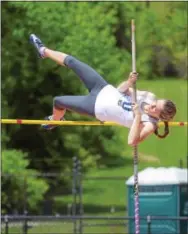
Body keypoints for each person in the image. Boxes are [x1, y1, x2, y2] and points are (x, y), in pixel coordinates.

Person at [30, 34, 176, 146]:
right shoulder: (149, 96)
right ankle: (43, 51)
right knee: (73, 62)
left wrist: (138, 116)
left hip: (96, 107)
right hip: (104, 88)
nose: (152, 104)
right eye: (155, 103)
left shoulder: (150, 124)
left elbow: (132, 142)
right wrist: (129, 81)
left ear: (160, 116)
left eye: (154, 108)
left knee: (58, 101)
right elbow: (121, 90)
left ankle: (55, 120)